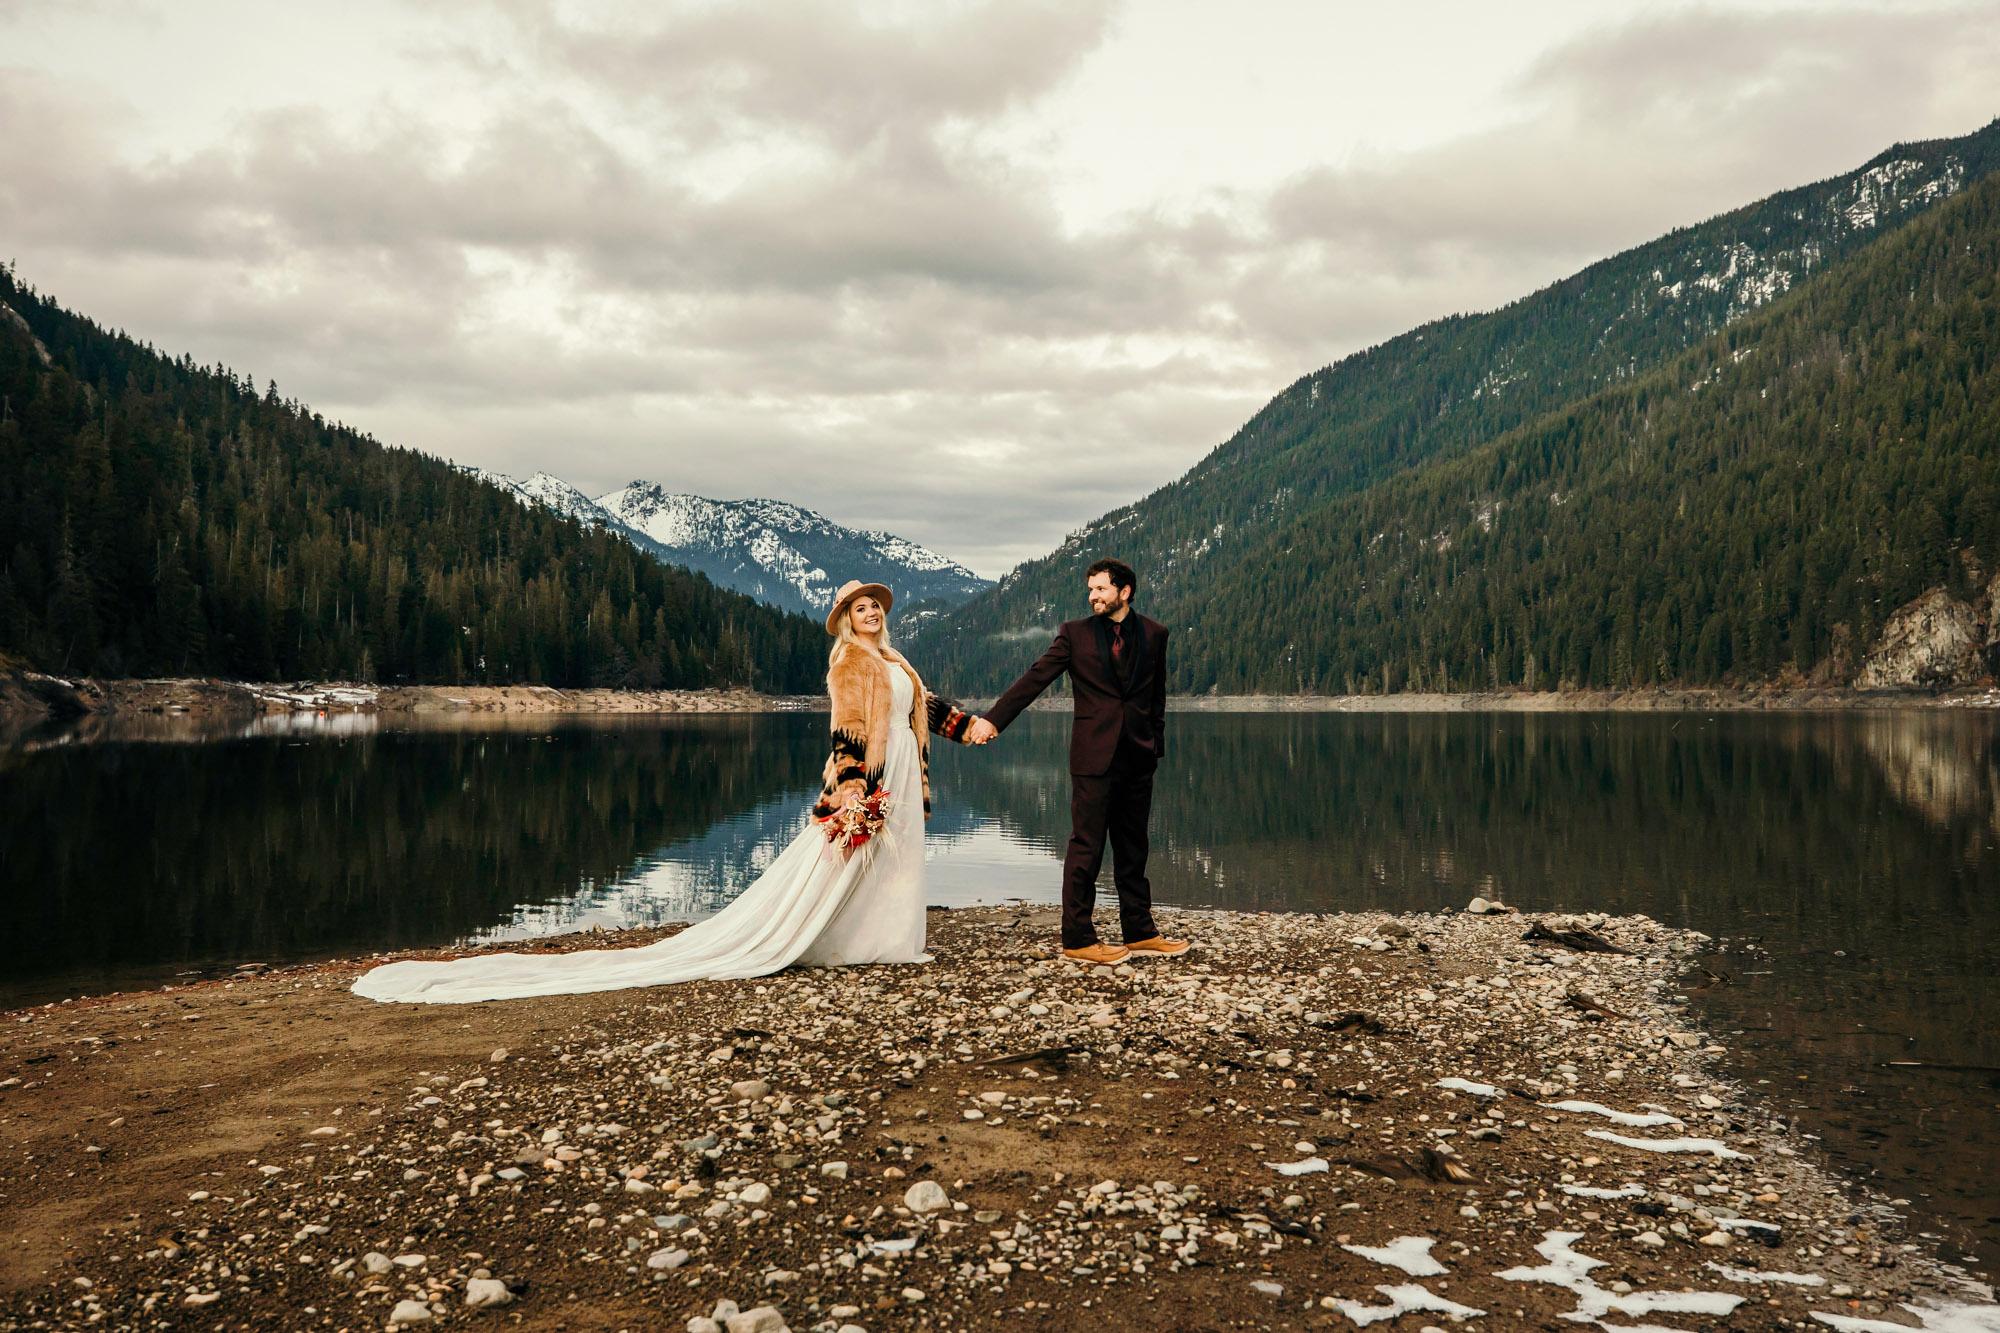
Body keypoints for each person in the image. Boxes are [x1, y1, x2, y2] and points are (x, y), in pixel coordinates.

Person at [351, 580, 981, 1004]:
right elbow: (846, 728)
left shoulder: (895, 662)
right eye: (860, 609)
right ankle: (854, 941)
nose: (871, 614)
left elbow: (919, 706)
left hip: (903, 763)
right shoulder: (849, 663)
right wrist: (848, 791)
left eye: (876, 607)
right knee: (852, 857)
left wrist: (964, 726)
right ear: (845, 620)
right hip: (870, 773)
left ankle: (890, 942)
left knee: (893, 861)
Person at [969, 558, 1190, 964]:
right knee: (1086, 846)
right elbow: (1034, 679)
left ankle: (1139, 931)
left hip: (1139, 757)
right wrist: (993, 720)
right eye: (1090, 590)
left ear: (1124, 592)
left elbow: (1156, 697)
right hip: (1093, 757)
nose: (1093, 597)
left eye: (1101, 589)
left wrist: (1154, 745)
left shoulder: (1156, 634)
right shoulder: (1074, 635)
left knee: (1133, 847)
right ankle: (1078, 938)